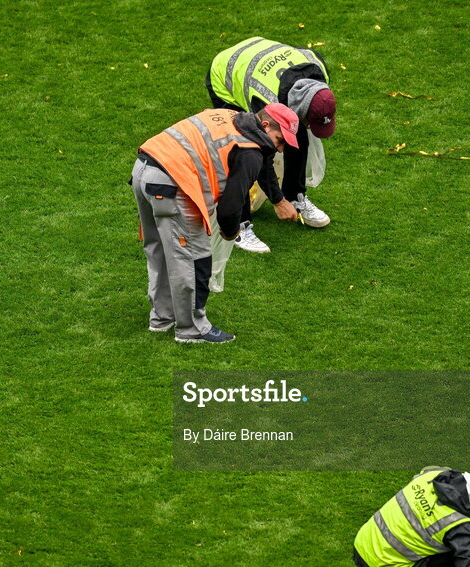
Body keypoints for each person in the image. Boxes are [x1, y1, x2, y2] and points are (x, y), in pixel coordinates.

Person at [132, 104, 300, 343]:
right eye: (280, 140)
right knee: (194, 257)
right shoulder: (249, 151)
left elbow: (264, 159)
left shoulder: (232, 116)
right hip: (172, 184)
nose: (280, 148)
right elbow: (230, 207)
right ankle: (192, 329)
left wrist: (278, 199)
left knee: (159, 250)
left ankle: (161, 318)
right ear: (265, 126)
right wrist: (231, 233)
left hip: (144, 168)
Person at [207, 36, 338, 253]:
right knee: (243, 151)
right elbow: (262, 153)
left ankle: (295, 196)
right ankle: (240, 226)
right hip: (225, 73)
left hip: (259, 62)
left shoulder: (319, 72)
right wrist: (277, 202)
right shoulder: (266, 98)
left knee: (296, 134)